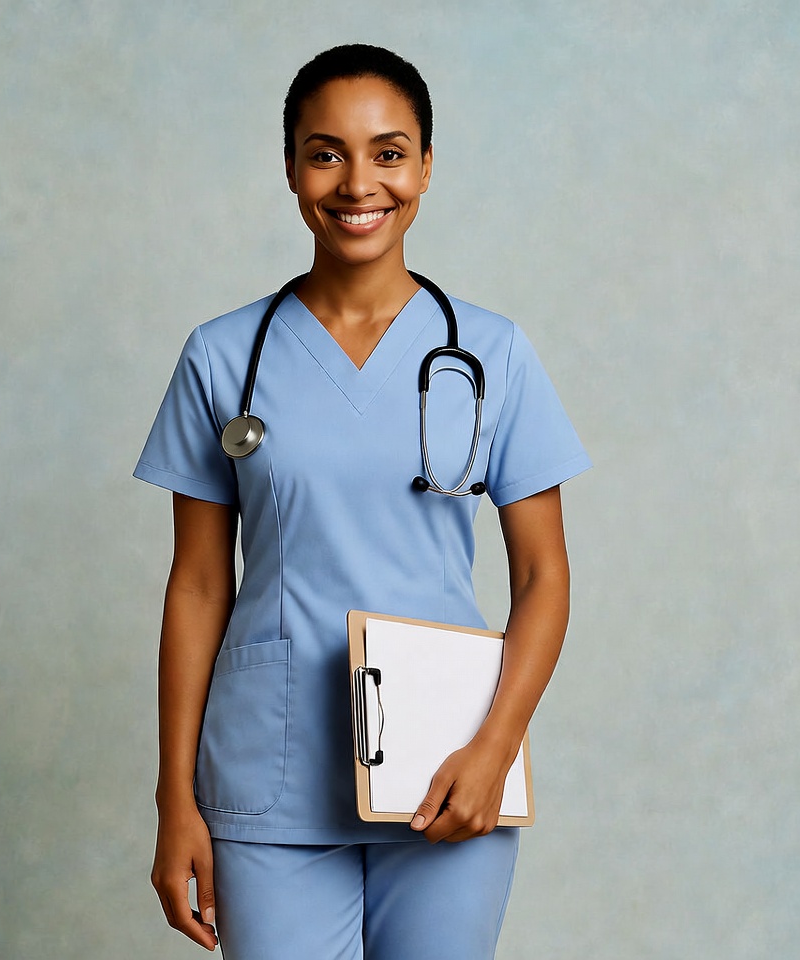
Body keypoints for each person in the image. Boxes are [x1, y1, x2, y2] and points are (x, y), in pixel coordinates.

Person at [133, 43, 590, 960]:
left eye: (388, 152)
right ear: (292, 166)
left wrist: (496, 745)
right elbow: (195, 588)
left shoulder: (492, 354)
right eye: (325, 151)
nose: (358, 183)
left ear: (425, 166)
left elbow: (543, 575)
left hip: (447, 763)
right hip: (271, 768)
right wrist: (173, 798)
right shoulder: (224, 356)